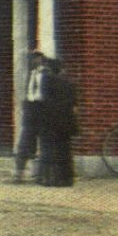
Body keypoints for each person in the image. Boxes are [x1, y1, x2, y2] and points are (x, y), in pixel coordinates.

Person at [38, 58, 78, 186]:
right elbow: (74, 105)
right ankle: (66, 179)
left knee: (49, 151)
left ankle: (50, 179)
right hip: (66, 123)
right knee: (65, 151)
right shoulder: (69, 85)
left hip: (51, 123)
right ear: (61, 70)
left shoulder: (47, 82)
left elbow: (44, 101)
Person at [13, 51, 47, 184]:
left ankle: (40, 175)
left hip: (41, 109)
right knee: (24, 143)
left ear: (40, 59)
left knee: (44, 144)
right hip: (30, 110)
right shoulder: (31, 74)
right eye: (31, 59)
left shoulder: (46, 75)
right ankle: (19, 174)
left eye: (35, 58)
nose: (32, 61)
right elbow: (28, 93)